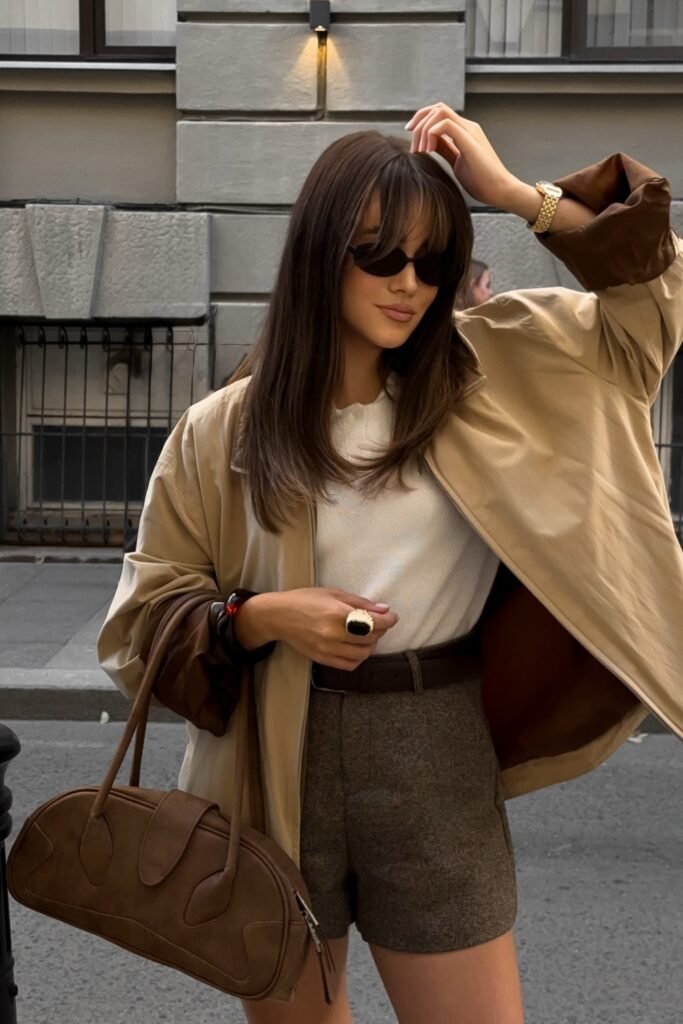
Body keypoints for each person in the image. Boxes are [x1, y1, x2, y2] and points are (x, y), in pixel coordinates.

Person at [97, 102, 683, 1024]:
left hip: (434, 742)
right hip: (270, 755)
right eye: (379, 255)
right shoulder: (224, 431)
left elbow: (645, 309)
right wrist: (263, 617)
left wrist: (508, 194)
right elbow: (138, 623)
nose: (408, 282)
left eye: (433, 261)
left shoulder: (495, 375)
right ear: (319, 256)